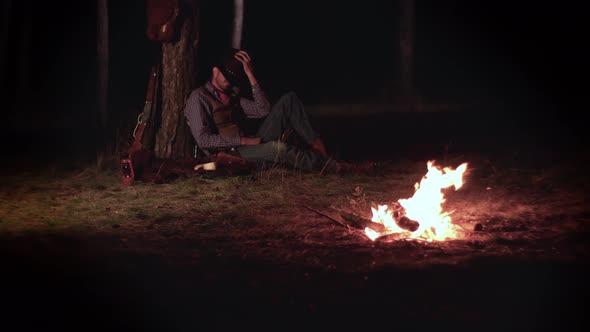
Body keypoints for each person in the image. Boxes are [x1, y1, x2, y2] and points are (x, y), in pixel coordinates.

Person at [184, 48, 373, 174]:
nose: (228, 80)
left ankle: (319, 150)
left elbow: (263, 110)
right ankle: (336, 167)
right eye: (225, 76)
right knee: (278, 148)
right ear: (215, 71)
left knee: (288, 100)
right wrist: (244, 140)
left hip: (248, 147)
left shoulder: (232, 94)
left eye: (234, 77)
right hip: (228, 155)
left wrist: (250, 75)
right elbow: (204, 139)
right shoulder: (198, 97)